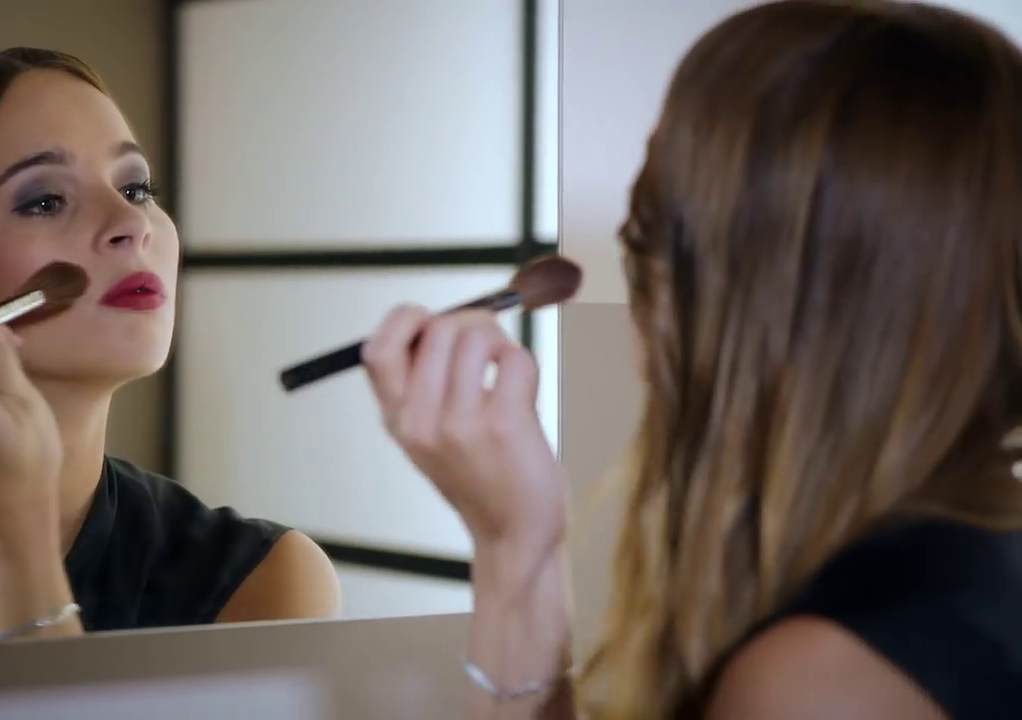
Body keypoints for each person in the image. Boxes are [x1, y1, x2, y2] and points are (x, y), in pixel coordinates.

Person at [362, 1, 1022, 717]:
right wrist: (520, 544)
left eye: (648, 223)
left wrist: (512, 557)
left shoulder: (820, 681)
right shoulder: (976, 566)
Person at [0, 47, 341, 642]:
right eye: (45, 201)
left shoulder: (256, 581)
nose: (132, 223)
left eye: (136, 188)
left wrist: (18, 544)